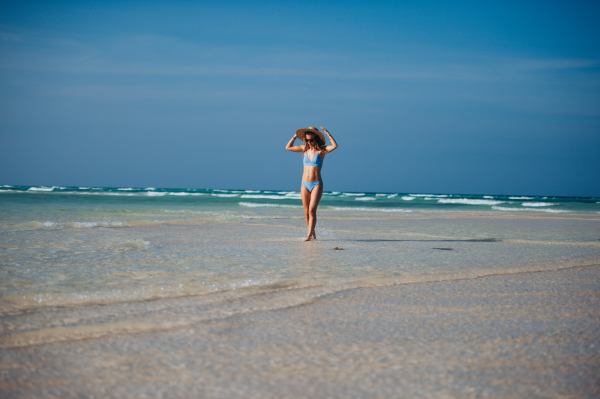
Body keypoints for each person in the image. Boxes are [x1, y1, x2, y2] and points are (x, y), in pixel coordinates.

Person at [285, 126, 338, 241]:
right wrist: (295, 136)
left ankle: (309, 235)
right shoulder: (304, 149)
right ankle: (312, 233)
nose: (309, 142)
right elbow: (288, 147)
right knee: (306, 212)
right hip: (304, 184)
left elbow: (334, 146)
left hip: (316, 184)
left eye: (311, 140)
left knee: (312, 210)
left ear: (316, 139)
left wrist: (327, 133)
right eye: (307, 140)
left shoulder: (322, 150)